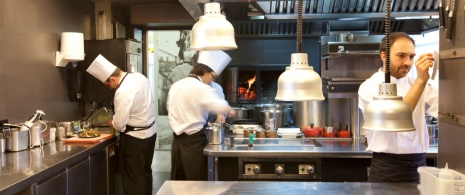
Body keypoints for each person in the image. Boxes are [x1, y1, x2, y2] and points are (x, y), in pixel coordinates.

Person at [358, 32, 438, 183]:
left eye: (411, 57)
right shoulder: (369, 87)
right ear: (384, 56)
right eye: (401, 56)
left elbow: (449, 109)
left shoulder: (421, 85)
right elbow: (396, 118)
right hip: (387, 168)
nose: (408, 62)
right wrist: (421, 80)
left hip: (420, 166)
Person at [86, 54, 157, 195]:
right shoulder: (139, 77)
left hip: (135, 140)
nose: (110, 88)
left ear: (112, 78)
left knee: (133, 179)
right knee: (145, 174)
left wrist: (111, 121)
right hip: (150, 135)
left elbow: (120, 123)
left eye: (108, 84)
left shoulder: (122, 92)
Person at [167, 50, 235, 180]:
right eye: (213, 77)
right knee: (196, 182)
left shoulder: (177, 85)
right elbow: (221, 107)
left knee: (179, 181)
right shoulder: (201, 87)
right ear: (205, 71)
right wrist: (229, 110)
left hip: (177, 142)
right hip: (194, 143)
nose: (211, 81)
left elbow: (173, 112)